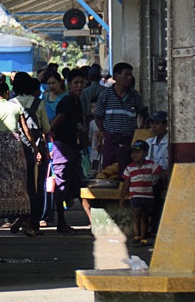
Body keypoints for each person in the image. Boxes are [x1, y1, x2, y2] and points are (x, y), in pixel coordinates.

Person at [0, 79, 37, 237]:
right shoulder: (15, 106)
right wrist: (35, 148)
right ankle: (26, 223)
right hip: (15, 147)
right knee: (20, 185)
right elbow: (26, 130)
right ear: (7, 93)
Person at [48, 68, 87, 233]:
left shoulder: (77, 102)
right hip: (62, 147)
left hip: (71, 147)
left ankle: (93, 222)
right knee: (62, 186)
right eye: (75, 83)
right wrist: (51, 145)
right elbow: (54, 124)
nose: (79, 86)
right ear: (69, 84)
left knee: (79, 184)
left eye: (81, 83)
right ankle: (61, 223)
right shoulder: (68, 102)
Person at [10, 72, 49, 233]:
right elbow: (46, 128)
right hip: (36, 149)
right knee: (37, 186)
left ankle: (21, 216)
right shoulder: (38, 103)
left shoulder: (10, 103)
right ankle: (34, 222)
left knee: (19, 186)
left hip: (16, 149)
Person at [93, 62, 144, 172]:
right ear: (116, 76)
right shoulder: (105, 95)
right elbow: (97, 116)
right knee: (109, 170)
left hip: (129, 139)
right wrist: (103, 132)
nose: (129, 78)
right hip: (111, 139)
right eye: (126, 75)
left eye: (131, 75)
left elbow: (141, 115)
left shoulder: (135, 96)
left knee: (128, 170)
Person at [119, 140, 162, 245]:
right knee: (137, 214)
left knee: (145, 216)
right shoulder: (129, 168)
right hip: (135, 195)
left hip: (148, 196)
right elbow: (126, 183)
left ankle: (143, 237)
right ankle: (137, 235)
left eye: (138, 152)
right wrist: (122, 197)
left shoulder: (151, 165)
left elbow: (161, 173)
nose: (135, 154)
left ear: (146, 153)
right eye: (133, 152)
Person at [145, 110, 170, 232]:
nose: (154, 127)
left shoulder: (170, 143)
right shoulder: (148, 143)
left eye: (157, 123)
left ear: (165, 125)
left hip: (162, 177)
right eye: (152, 124)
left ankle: (152, 224)